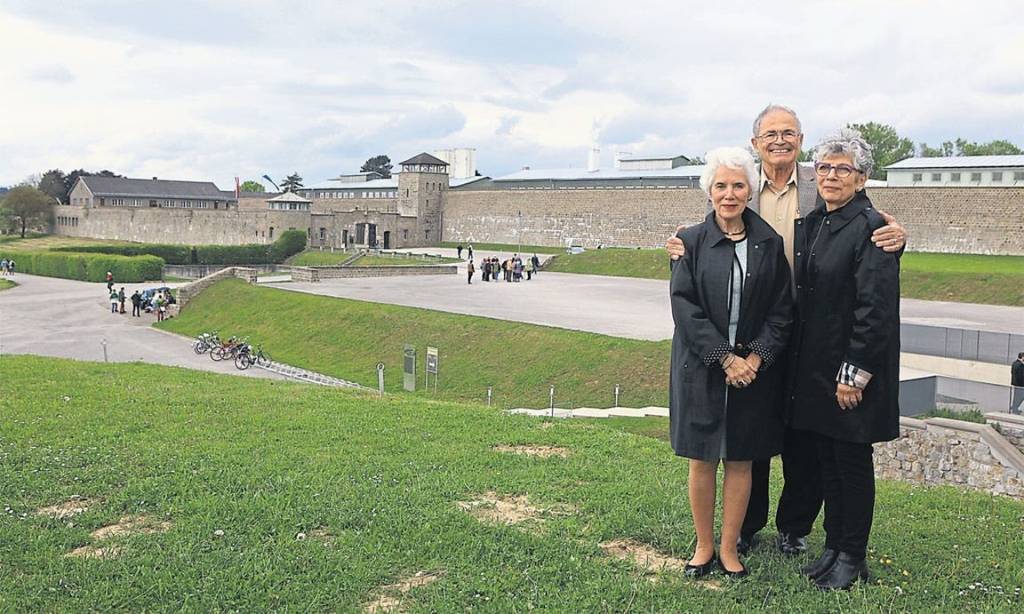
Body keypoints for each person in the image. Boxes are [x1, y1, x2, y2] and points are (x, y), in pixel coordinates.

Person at [665, 104, 908, 556]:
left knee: (804, 439)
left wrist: (897, 236)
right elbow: (710, 236)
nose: (780, 140)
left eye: (789, 133)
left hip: (807, 329)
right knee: (749, 436)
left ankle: (794, 526)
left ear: (801, 141)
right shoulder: (742, 183)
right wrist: (682, 245)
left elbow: (864, 225)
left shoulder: (823, 184)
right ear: (755, 143)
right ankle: (745, 526)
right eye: (770, 133)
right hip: (751, 330)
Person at [670, 147, 793, 579]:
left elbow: (782, 311)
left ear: (750, 191)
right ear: (709, 191)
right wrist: (724, 358)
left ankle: (728, 549)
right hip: (702, 367)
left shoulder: (768, 243)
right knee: (703, 458)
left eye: (738, 185)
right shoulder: (690, 243)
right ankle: (703, 546)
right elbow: (685, 308)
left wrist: (754, 358)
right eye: (721, 185)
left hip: (753, 371)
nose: (729, 194)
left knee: (741, 458)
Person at [789, 129, 901, 590]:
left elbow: (874, 311)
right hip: (817, 369)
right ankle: (834, 547)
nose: (832, 176)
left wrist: (853, 375)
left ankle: (853, 554)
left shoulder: (872, 228)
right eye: (825, 167)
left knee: (852, 465)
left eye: (843, 169)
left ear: (862, 178)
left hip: (850, 373)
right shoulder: (817, 223)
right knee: (828, 463)